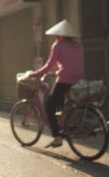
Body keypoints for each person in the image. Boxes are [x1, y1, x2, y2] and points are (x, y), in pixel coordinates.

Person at [26, 19, 84, 148]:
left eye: (57, 35)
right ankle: (63, 125)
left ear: (61, 35)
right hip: (78, 81)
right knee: (64, 106)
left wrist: (35, 74)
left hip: (64, 82)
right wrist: (57, 71)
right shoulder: (78, 45)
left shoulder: (58, 45)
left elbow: (49, 66)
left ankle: (57, 137)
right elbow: (71, 64)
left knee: (49, 108)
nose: (56, 37)